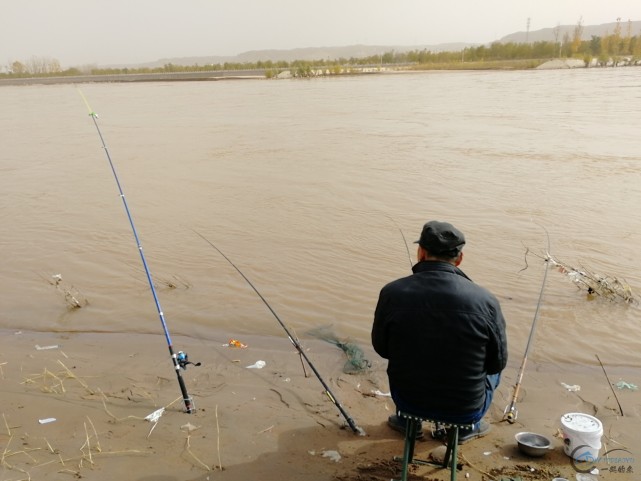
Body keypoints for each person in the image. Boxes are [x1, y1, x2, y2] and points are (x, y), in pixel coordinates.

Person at [372, 220, 507, 444]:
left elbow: (382, 348)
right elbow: (497, 363)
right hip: (465, 409)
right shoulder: (487, 301)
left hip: (408, 402)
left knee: (404, 354)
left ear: (421, 253)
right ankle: (466, 428)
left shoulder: (391, 292)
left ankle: (408, 422)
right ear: (460, 259)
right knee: (492, 368)